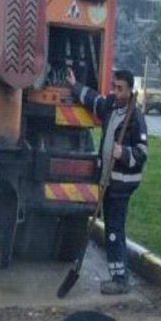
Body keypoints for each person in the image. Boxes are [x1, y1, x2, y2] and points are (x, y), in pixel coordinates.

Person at [66, 66, 148, 294]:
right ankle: (118, 275)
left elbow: (143, 153)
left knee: (114, 230)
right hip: (108, 181)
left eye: (120, 89)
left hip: (121, 184)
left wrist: (125, 153)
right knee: (114, 228)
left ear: (131, 91)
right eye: (114, 87)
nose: (116, 92)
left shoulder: (136, 119)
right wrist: (75, 86)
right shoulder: (111, 106)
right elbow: (94, 101)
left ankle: (120, 279)